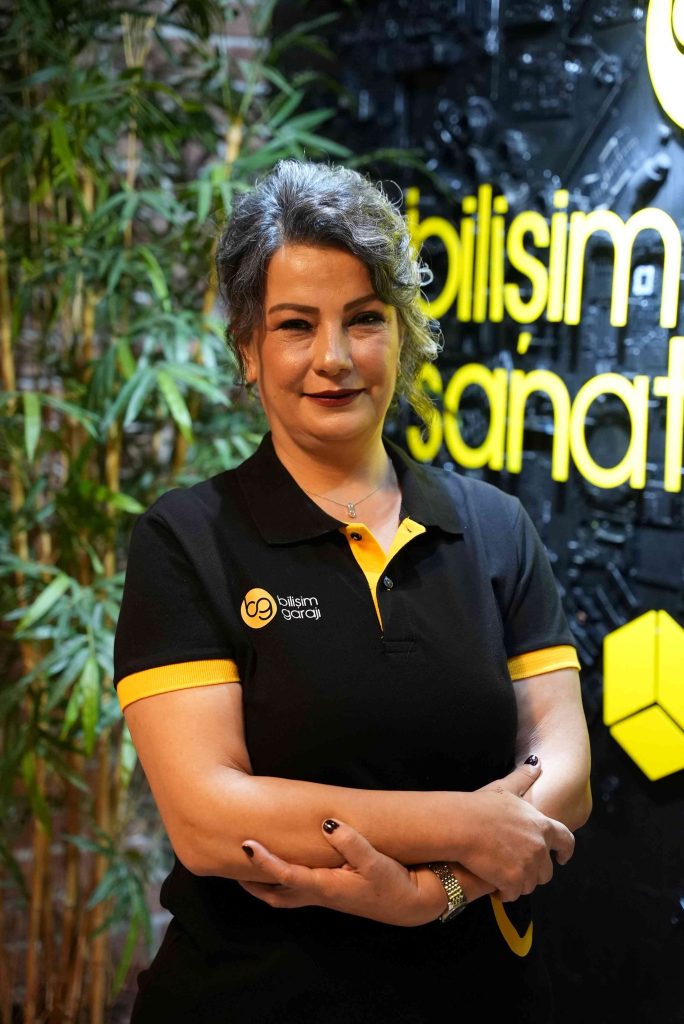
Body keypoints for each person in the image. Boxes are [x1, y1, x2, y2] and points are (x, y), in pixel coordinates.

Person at [114, 158, 592, 1023]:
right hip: (251, 1000)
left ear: (402, 334)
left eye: (365, 319)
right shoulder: (186, 539)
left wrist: (434, 894)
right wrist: (464, 826)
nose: (333, 358)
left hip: (480, 998)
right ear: (249, 350)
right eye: (296, 325)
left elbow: (565, 772)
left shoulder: (495, 528)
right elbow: (210, 819)